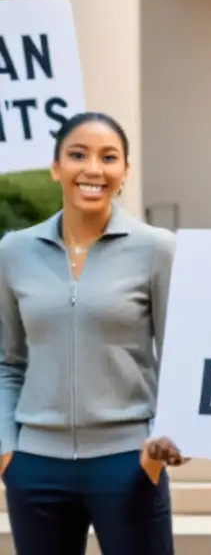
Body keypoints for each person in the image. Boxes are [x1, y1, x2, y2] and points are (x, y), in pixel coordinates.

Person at [0, 112, 178, 554]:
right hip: (35, 466)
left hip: (129, 461)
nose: (93, 169)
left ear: (124, 171)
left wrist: (154, 447)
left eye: (108, 157)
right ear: (56, 167)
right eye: (78, 155)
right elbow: (7, 360)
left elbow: (180, 356)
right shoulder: (14, 250)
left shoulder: (156, 248)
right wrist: (7, 450)